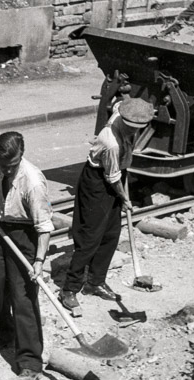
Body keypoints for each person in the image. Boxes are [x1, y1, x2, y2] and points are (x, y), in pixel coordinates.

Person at [0, 131, 54, 380]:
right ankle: (2, 334)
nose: (6, 170)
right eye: (3, 165)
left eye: (12, 165)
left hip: (27, 233)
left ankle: (30, 363)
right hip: (1, 226)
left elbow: (44, 227)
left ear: (22, 154)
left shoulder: (33, 182)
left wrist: (39, 261)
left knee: (23, 298)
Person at [60, 98, 154, 311]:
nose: (136, 131)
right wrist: (124, 199)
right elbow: (112, 177)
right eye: (133, 128)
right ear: (126, 122)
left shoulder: (123, 111)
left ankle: (95, 283)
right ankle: (69, 289)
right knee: (90, 239)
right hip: (98, 182)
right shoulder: (111, 142)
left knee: (111, 234)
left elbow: (119, 102)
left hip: (115, 174)